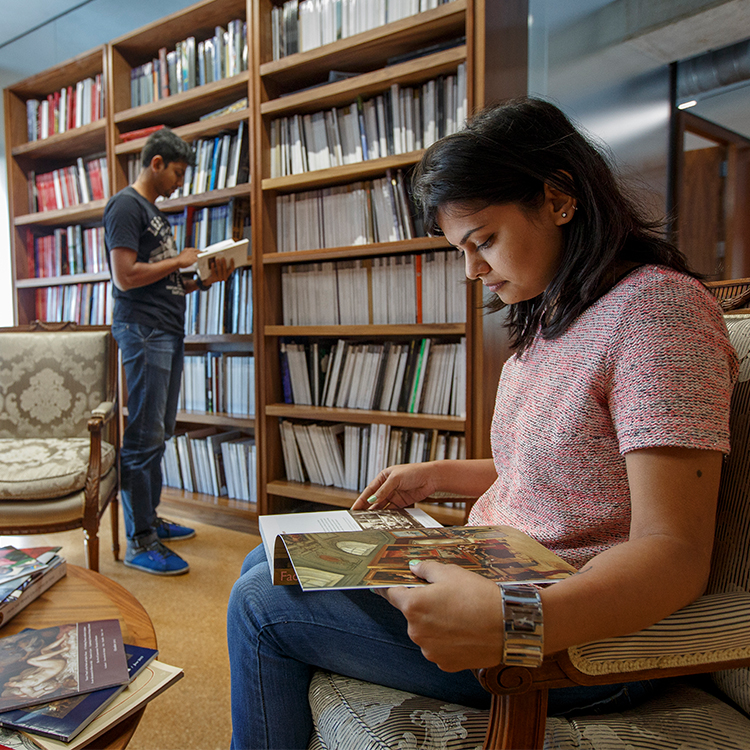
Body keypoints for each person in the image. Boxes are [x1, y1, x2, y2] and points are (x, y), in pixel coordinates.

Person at [226, 97, 738, 749]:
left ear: (558, 198)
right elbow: (569, 470)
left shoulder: (658, 314)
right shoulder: (556, 316)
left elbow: (675, 554)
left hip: (579, 635)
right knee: (265, 560)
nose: (471, 271)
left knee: (259, 607)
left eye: (483, 241)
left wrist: (516, 621)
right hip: (499, 566)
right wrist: (437, 474)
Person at [105, 127, 233, 576]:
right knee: (142, 435)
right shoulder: (126, 206)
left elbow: (162, 279)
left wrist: (201, 280)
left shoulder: (154, 214)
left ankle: (150, 520)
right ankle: (141, 540)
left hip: (166, 329)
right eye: (177, 173)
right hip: (143, 332)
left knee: (158, 432)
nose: (180, 182)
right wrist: (177, 261)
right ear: (156, 163)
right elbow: (124, 276)